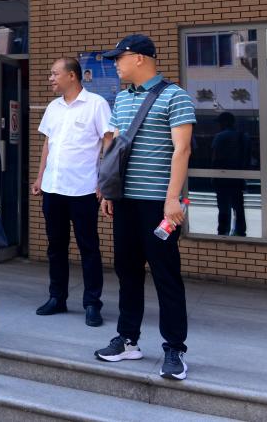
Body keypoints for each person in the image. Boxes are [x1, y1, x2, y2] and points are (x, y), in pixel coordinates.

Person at [95, 34, 196, 381]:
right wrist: (109, 191)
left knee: (166, 275)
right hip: (125, 201)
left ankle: (174, 349)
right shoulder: (122, 98)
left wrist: (172, 199)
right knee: (127, 272)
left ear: (139, 58)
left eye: (119, 58)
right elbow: (112, 146)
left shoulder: (175, 96)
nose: (115, 64)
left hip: (158, 204)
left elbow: (182, 150)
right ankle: (127, 340)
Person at [30, 57, 112, 327]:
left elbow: (108, 143)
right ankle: (57, 297)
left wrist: (104, 181)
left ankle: (92, 303)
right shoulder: (53, 107)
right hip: (53, 188)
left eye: (55, 74)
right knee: (56, 247)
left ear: (72, 76)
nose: (50, 79)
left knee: (89, 248)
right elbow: (48, 144)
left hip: (84, 190)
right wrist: (40, 177)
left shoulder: (96, 104)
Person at [210, 112, 248, 236]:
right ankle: (240, 231)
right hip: (238, 179)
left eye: (220, 122)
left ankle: (223, 231)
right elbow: (247, 158)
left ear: (225, 122)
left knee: (223, 208)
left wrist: (213, 176)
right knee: (238, 207)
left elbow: (215, 158)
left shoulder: (220, 137)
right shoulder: (243, 136)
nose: (219, 125)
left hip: (222, 179)